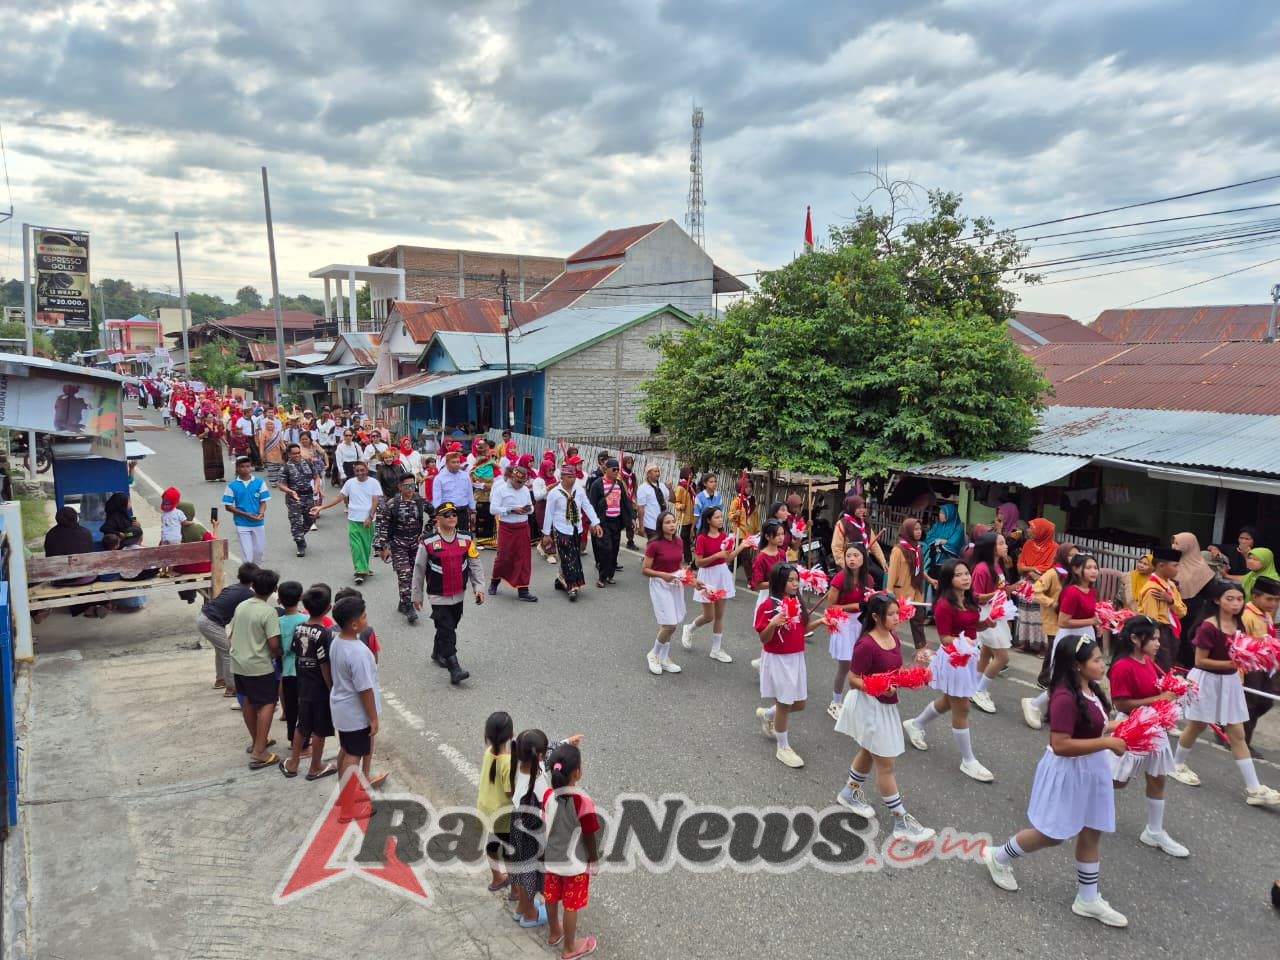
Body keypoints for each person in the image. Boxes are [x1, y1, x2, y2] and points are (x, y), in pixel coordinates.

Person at [981, 634, 1129, 928]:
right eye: (1097, 659)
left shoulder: (1091, 689)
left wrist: (1121, 727)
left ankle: (1087, 898)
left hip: (1091, 768)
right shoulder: (1063, 696)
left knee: (1092, 829)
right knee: (1053, 833)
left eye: (1102, 658)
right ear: (1077, 665)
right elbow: (1061, 744)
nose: (1103, 664)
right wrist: (1108, 743)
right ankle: (999, 856)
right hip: (1069, 770)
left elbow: (1094, 726)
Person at [833, 593, 936, 840]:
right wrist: (876, 686)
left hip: (886, 703)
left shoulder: (893, 637)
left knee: (869, 751)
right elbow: (853, 678)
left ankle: (849, 793)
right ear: (876, 616)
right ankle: (901, 820)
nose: (896, 618)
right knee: (886, 764)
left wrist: (912, 674)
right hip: (869, 705)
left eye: (897, 613)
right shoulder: (866, 644)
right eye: (891, 614)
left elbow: (893, 671)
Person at [1168, 580, 1280, 805]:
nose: (1236, 603)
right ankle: (1175, 764)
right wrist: (1236, 662)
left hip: (1229, 682)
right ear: (1217, 600)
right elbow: (1200, 661)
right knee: (1196, 726)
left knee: (1237, 733)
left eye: (1239, 598)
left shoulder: (1238, 624)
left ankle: (1254, 789)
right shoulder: (1208, 626)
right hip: (1206, 681)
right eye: (1230, 599)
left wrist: (1252, 658)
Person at [903, 558, 994, 782]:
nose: (965, 577)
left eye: (966, 573)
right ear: (948, 579)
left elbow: (973, 625)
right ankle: (968, 760)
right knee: (961, 708)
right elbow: (944, 638)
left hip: (968, 655)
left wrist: (988, 623)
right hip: (955, 658)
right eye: (959, 574)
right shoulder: (944, 604)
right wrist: (965, 643)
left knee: (948, 701)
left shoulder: (969, 598)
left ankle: (915, 724)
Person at [1107, 615, 1189, 858]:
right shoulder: (1122, 666)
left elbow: (1155, 691)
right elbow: (1121, 704)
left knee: (1158, 778)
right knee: (1117, 781)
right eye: (1152, 639)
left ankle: (1154, 831)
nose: (1157, 644)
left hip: (1154, 727)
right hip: (1132, 729)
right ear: (1134, 638)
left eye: (1158, 639)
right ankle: (1076, 798)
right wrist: (1158, 700)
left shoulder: (1147, 660)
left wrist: (1173, 691)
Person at [411, 501, 484, 685]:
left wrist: (479, 588)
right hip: (438, 595)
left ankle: (438, 652)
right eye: (446, 515)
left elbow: (475, 564)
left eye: (454, 515)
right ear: (438, 519)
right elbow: (419, 569)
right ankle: (455, 668)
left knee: (451, 625)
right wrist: (416, 595)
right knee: (447, 630)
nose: (451, 518)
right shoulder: (428, 542)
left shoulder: (466, 539)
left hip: (458, 593)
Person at [542, 742, 600, 959]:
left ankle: (554, 932)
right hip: (573, 866)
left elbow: (545, 823)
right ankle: (569, 948)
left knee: (551, 895)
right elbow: (589, 835)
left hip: (551, 859)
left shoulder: (548, 795)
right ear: (577, 772)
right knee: (570, 905)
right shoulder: (583, 802)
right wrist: (593, 861)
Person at [329, 593, 382, 823]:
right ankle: (348, 809)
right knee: (353, 756)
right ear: (353, 624)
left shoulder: (338, 641)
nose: (366, 619)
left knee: (346, 751)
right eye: (363, 617)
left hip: (342, 707)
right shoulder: (358, 652)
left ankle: (346, 795)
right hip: (355, 712)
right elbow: (365, 689)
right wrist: (372, 718)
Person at [279, 584, 338, 780]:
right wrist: (331, 687)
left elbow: (295, 651)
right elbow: (324, 663)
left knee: (301, 724)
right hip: (319, 687)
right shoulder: (324, 633)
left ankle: (293, 763)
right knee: (319, 728)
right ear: (328, 608)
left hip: (302, 683)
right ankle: (315, 766)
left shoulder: (299, 628)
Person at [229, 568, 282, 771]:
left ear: (252, 585)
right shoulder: (267, 612)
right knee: (268, 703)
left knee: (248, 702)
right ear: (274, 589)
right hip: (259, 664)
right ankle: (260, 750)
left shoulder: (242, 606)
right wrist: (275, 654)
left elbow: (231, 633)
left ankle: (258, 740)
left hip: (238, 661)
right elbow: (273, 643)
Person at [682, 506, 750, 663]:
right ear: (708, 520)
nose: (720, 520)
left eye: (721, 517)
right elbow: (698, 563)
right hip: (707, 576)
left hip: (722, 574)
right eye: (717, 517)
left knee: (719, 615)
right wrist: (716, 555)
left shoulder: (724, 536)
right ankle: (689, 628)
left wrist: (741, 546)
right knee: (708, 616)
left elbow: (727, 558)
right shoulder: (702, 538)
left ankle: (716, 649)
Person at [642, 510, 701, 677]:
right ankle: (653, 654)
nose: (672, 525)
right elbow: (645, 569)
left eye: (673, 521)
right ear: (661, 525)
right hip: (660, 585)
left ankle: (664, 657)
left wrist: (692, 580)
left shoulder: (679, 541)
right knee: (670, 624)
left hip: (675, 582)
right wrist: (663, 575)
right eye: (667, 522)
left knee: (671, 621)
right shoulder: (654, 544)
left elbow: (678, 565)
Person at [822, 543, 874, 720]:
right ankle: (835, 702)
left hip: (861, 623)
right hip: (843, 622)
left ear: (863, 558)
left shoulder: (868, 579)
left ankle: (853, 702)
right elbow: (830, 607)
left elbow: (868, 603)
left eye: (856, 556)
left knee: (859, 666)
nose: (851, 559)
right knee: (845, 667)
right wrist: (854, 605)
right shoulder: (838, 579)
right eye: (849, 556)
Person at [374, 473, 433, 622]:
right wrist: (382, 547)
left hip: (416, 544)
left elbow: (436, 515)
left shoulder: (420, 501)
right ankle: (408, 606)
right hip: (398, 544)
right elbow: (382, 526)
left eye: (413, 485)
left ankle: (403, 601)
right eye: (407, 486)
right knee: (404, 573)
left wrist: (426, 533)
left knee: (414, 574)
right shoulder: (392, 504)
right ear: (400, 487)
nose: (410, 488)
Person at [541, 462, 602, 602]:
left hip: (577, 529)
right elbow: (548, 514)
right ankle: (571, 587)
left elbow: (587, 506)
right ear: (562, 477)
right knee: (569, 558)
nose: (572, 479)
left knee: (574, 556)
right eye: (569, 477)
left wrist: (596, 522)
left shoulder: (579, 491)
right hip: (561, 529)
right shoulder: (554, 494)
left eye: (573, 476)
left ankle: (560, 579)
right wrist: (546, 534)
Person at [313, 460, 382, 584]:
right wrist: (321, 507)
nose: (360, 473)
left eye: (362, 470)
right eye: (357, 471)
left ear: (367, 470)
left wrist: (370, 517)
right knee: (356, 546)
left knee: (365, 546)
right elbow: (339, 497)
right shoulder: (350, 483)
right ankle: (359, 571)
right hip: (353, 519)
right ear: (354, 471)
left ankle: (364, 568)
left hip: (368, 520)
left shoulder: (374, 483)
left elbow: (375, 501)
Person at [970, 531, 1014, 714]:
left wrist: (1013, 589)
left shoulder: (997, 565)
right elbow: (975, 596)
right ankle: (980, 690)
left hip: (997, 611)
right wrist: (996, 595)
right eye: (1001, 543)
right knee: (1003, 658)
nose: (1006, 546)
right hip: (986, 613)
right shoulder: (981, 569)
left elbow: (1000, 589)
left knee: (986, 653)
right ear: (991, 547)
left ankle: (974, 686)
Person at [477, 711, 515, 892]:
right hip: (503, 815)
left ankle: (497, 878)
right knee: (510, 851)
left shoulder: (488, 753)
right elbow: (509, 792)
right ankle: (516, 890)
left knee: (492, 844)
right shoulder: (508, 762)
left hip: (486, 809)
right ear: (511, 734)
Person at [488, 465, 538, 602]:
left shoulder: (525, 491)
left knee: (524, 559)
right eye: (518, 482)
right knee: (503, 557)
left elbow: (531, 508)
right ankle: (494, 581)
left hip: (522, 527)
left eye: (522, 482)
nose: (520, 485)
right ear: (512, 477)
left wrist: (527, 509)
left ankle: (523, 590)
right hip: (507, 528)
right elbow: (493, 509)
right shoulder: (501, 490)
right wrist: (510, 510)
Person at [1241, 575, 1280, 751]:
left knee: (1266, 702)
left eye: (1277, 600)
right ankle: (1242, 742)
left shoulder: (1265, 615)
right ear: (1255, 597)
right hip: (1251, 666)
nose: (1273, 604)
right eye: (1269, 599)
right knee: (1250, 703)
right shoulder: (1247, 616)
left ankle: (1233, 727)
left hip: (1267, 665)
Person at [1136, 547, 1186, 672]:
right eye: (1175, 566)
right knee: (1160, 670)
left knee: (1169, 667)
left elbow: (1182, 612)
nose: (1178, 570)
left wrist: (1170, 601)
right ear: (1161, 566)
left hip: (1172, 631)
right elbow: (1151, 621)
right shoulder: (1152, 590)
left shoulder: (1171, 585)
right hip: (1159, 633)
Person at [887, 517, 933, 650]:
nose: (918, 532)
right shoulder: (898, 550)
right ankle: (888, 646)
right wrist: (889, 592)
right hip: (900, 593)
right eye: (915, 529)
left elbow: (918, 569)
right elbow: (892, 573)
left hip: (916, 591)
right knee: (893, 622)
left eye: (919, 529)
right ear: (907, 531)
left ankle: (921, 648)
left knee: (918, 620)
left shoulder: (917, 548)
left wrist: (929, 579)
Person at [587, 458, 634, 587]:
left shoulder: (619, 485)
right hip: (603, 522)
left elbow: (625, 502)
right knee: (605, 549)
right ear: (606, 469)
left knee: (614, 549)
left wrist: (631, 518)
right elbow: (591, 504)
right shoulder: (597, 484)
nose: (616, 472)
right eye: (614, 469)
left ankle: (610, 575)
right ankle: (602, 577)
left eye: (617, 469)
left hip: (616, 522)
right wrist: (592, 523)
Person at [1030, 542, 1078, 665]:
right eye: (1070, 555)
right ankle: (1045, 679)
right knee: (1054, 651)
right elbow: (1036, 592)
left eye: (1076, 555)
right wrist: (1052, 603)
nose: (1074, 558)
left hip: (1070, 619)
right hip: (1053, 619)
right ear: (1062, 556)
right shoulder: (1052, 573)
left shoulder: (1076, 575)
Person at [830, 495, 888, 586]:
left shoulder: (865, 524)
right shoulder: (842, 524)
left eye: (863, 507)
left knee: (881, 578)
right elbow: (836, 548)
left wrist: (883, 562)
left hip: (865, 561)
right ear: (851, 508)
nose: (862, 510)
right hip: (850, 562)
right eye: (858, 508)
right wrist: (846, 565)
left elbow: (874, 545)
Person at [222, 456, 270, 564]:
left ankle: (254, 572)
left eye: (247, 466)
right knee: (247, 554)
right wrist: (246, 514)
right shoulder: (232, 486)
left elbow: (263, 502)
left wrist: (261, 513)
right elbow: (228, 506)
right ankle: (248, 577)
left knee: (259, 551)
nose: (245, 469)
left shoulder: (259, 482)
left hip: (258, 523)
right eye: (242, 466)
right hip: (242, 523)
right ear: (237, 468)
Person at [275, 580, 306, 748]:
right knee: (305, 707)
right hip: (306, 671)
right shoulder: (307, 619)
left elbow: (276, 647)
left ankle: (293, 739)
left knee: (292, 708)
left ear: (279, 600)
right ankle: (304, 741)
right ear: (300, 597)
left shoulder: (278, 622)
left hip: (287, 671)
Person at [278, 443, 316, 558]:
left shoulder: (308, 463)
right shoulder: (285, 467)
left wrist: (317, 487)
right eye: (294, 453)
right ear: (289, 454)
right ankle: (300, 543)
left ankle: (300, 535)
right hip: (294, 498)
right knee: (296, 522)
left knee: (310, 519)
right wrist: (290, 491)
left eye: (298, 453)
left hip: (308, 496)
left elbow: (316, 476)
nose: (297, 455)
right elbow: (281, 485)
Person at [433, 445, 476, 534]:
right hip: (447, 513)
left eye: (458, 462)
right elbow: (437, 500)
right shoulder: (439, 478)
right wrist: (438, 516)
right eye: (453, 462)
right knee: (448, 537)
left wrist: (473, 511)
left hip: (463, 512)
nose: (457, 464)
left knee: (463, 538)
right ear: (447, 463)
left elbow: (469, 494)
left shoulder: (465, 475)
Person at [926, 502, 965, 577]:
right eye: (940, 513)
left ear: (950, 514)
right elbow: (929, 538)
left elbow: (953, 543)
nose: (940, 515)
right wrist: (941, 541)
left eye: (943, 513)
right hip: (934, 560)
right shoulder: (937, 525)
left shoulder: (958, 528)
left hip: (950, 563)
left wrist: (939, 543)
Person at [635, 463, 670, 541]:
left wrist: (670, 488)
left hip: (662, 524)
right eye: (655, 471)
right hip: (651, 525)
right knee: (655, 547)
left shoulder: (662, 486)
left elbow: (673, 499)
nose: (658, 473)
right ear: (649, 474)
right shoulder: (643, 488)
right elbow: (640, 508)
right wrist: (641, 526)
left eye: (658, 471)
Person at [673, 467, 696, 564]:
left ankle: (685, 555)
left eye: (691, 473)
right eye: (689, 473)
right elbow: (676, 501)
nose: (690, 475)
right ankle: (687, 558)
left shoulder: (691, 486)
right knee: (684, 537)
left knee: (687, 538)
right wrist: (680, 506)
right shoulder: (680, 488)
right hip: (683, 517)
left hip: (691, 516)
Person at [197, 412, 226, 483]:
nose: (211, 419)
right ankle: (211, 476)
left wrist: (225, 442)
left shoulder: (216, 424)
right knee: (209, 459)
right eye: (209, 417)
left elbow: (220, 434)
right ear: (205, 418)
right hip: (207, 444)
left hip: (217, 443)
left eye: (212, 417)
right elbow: (199, 436)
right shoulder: (202, 425)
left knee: (219, 459)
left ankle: (220, 477)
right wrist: (205, 433)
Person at [258, 416, 285, 488]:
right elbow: (262, 444)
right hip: (269, 454)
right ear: (265, 426)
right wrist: (261, 453)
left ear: (274, 425)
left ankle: (279, 482)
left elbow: (281, 443)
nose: (270, 426)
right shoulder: (263, 433)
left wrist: (285, 450)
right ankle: (273, 482)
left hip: (278, 454)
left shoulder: (278, 433)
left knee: (279, 468)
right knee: (272, 469)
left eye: (271, 424)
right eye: (268, 424)